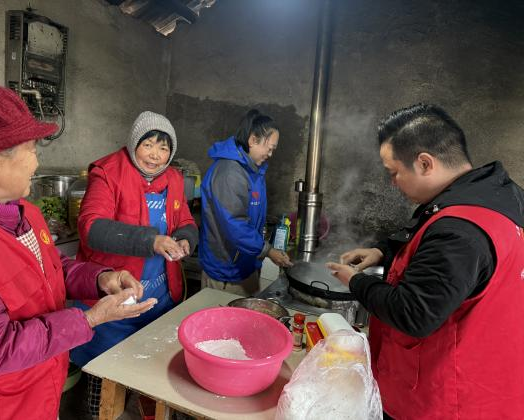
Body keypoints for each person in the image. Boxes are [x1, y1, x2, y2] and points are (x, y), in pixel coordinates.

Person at [0, 80, 155, 420]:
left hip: (41, 389)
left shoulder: (25, 212)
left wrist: (101, 278)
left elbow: (54, 269)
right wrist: (90, 318)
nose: (36, 164)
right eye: (33, 149)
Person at [327, 104, 524, 419]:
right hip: (496, 386)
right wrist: (384, 251)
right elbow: (441, 254)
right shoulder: (499, 198)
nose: (393, 183)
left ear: (424, 163)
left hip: (450, 402)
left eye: (394, 173)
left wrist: (355, 281)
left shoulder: (459, 231)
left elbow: (413, 313)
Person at [72, 110, 198, 416]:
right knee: (106, 379)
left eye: (164, 147)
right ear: (133, 143)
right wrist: (150, 241)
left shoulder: (174, 179)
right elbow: (91, 227)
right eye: (148, 145)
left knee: (149, 376)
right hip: (114, 300)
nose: (155, 155)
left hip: (158, 297)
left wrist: (185, 239)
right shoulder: (108, 173)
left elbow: (185, 220)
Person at [199, 109, 293, 297]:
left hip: (244, 265)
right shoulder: (229, 173)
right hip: (226, 273)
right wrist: (267, 250)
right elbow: (235, 225)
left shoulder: (252, 170)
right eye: (270, 147)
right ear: (252, 140)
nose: (271, 154)